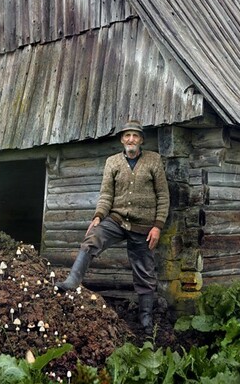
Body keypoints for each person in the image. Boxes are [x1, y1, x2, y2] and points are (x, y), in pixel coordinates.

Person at [57, 119, 170, 334]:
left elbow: (163, 196)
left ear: (141, 140)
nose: (131, 139)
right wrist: (99, 216)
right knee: (93, 237)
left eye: (135, 136)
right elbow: (106, 194)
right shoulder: (112, 162)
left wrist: (158, 226)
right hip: (117, 219)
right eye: (127, 135)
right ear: (122, 139)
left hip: (144, 225)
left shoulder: (154, 160)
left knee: (145, 271)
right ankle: (72, 281)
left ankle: (145, 319)